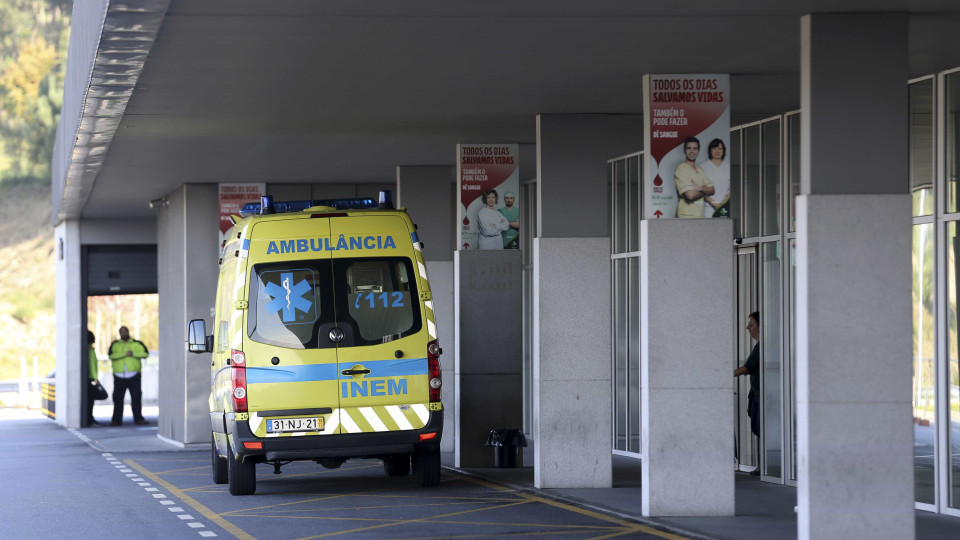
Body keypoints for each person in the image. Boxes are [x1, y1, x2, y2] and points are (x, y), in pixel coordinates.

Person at [734, 311, 761, 475]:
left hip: (761, 395)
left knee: (759, 427)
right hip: (756, 393)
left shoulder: (762, 346)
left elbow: (747, 367)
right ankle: (762, 465)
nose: (747, 327)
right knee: (756, 427)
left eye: (751, 324)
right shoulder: (759, 346)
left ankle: (763, 466)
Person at [108, 326, 150, 426]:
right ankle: (116, 420)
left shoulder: (137, 343)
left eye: (125, 332)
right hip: (119, 376)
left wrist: (133, 353)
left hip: (134, 375)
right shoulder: (115, 344)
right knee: (118, 399)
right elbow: (111, 355)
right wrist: (124, 354)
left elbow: (145, 354)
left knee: (136, 398)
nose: (123, 334)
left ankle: (138, 419)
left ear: (128, 332)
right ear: (119, 333)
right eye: (121, 332)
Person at [673, 136, 714, 218]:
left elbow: (712, 190)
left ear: (698, 151)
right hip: (685, 217)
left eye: (695, 148)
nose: (692, 151)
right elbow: (690, 195)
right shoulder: (681, 169)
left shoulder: (700, 170)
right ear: (685, 151)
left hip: (699, 217)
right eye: (689, 148)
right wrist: (704, 190)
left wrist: (699, 188)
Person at [701, 138, 730, 218]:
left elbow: (732, 190)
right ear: (710, 150)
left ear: (723, 151)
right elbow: (700, 188)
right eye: (714, 148)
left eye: (720, 148)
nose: (717, 151)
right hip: (708, 207)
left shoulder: (728, 167)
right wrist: (712, 202)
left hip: (724, 207)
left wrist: (722, 204)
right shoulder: (703, 167)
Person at [87, 330, 101, 425]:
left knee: (89, 400)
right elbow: (92, 366)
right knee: (90, 400)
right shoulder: (90, 351)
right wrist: (95, 379)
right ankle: (89, 418)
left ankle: (89, 418)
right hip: (90, 379)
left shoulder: (89, 351)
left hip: (89, 378)